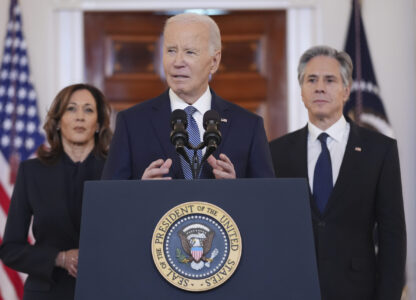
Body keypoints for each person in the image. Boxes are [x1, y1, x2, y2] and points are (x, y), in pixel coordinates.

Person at [269, 46, 406, 300]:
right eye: (311, 80)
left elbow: (392, 234)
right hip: (291, 289)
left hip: (358, 291)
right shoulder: (275, 152)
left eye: (329, 80)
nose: (320, 87)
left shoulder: (380, 150)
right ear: (301, 91)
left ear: (346, 90)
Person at [102, 13, 274, 180]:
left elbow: (267, 202)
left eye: (189, 52)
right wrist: (141, 192)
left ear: (214, 62)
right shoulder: (131, 123)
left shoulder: (248, 126)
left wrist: (235, 190)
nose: (177, 62)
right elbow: (109, 201)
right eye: (171, 50)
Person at [0, 83, 112, 300]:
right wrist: (59, 258)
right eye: (71, 109)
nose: (80, 117)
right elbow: (11, 249)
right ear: (58, 121)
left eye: (88, 110)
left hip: (104, 290)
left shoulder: (115, 170)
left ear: (98, 124)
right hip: (47, 292)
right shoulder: (31, 172)